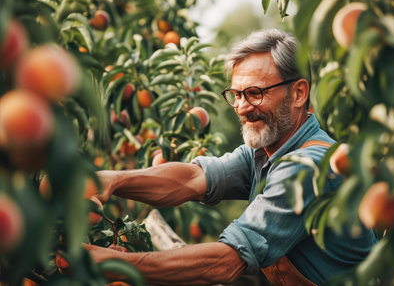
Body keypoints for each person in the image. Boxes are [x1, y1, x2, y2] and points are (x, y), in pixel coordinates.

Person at [86, 29, 377, 285]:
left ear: (299, 93)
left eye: (254, 93)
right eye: (236, 94)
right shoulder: (268, 149)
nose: (241, 107)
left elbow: (226, 261)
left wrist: (110, 264)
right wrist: (113, 180)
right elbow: (193, 179)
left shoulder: (308, 167)